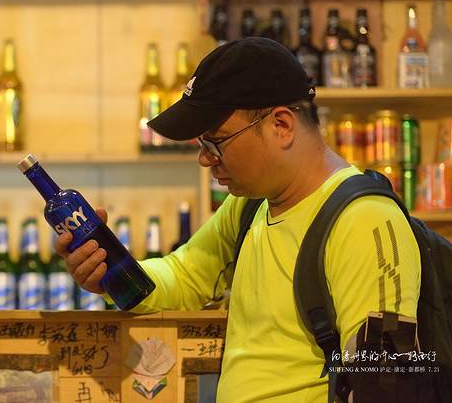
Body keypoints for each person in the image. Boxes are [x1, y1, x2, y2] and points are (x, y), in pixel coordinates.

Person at [55, 37, 420, 402]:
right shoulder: (249, 206)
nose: (205, 159)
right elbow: (184, 276)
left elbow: (385, 385)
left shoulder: (364, 221)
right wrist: (112, 271)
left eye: (216, 142)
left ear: (281, 125)